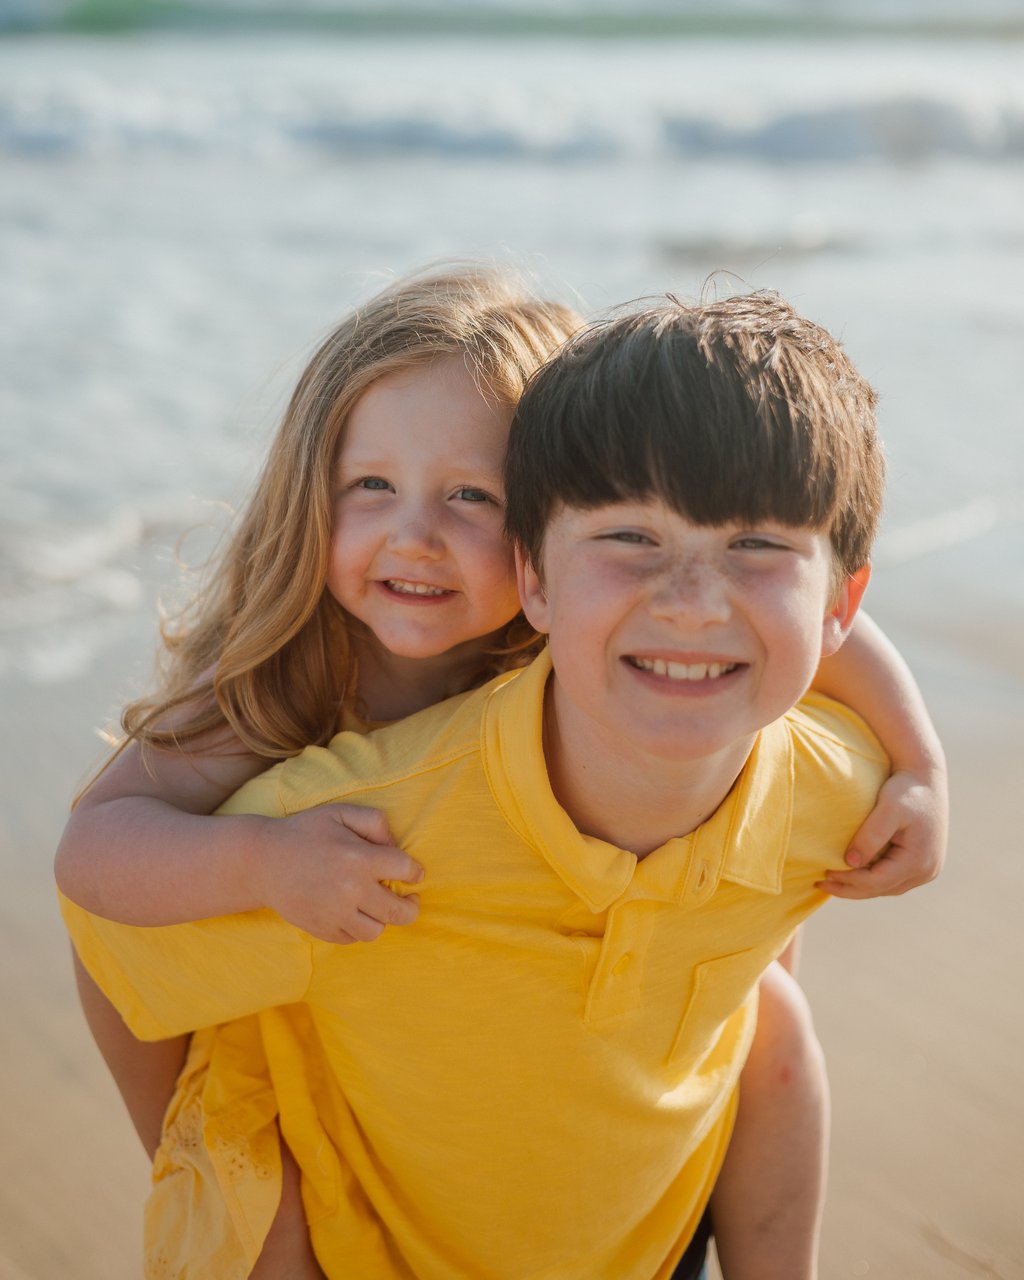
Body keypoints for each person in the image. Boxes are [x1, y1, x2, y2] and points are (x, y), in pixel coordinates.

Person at [56, 280, 945, 1280]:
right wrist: (261, 863)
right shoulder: (283, 679)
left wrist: (919, 762)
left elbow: (821, 612)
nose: (415, 536)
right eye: (371, 486)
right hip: (315, 1020)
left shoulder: (598, 635)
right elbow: (97, 875)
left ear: (536, 533)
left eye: (470, 496)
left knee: (768, 1000)